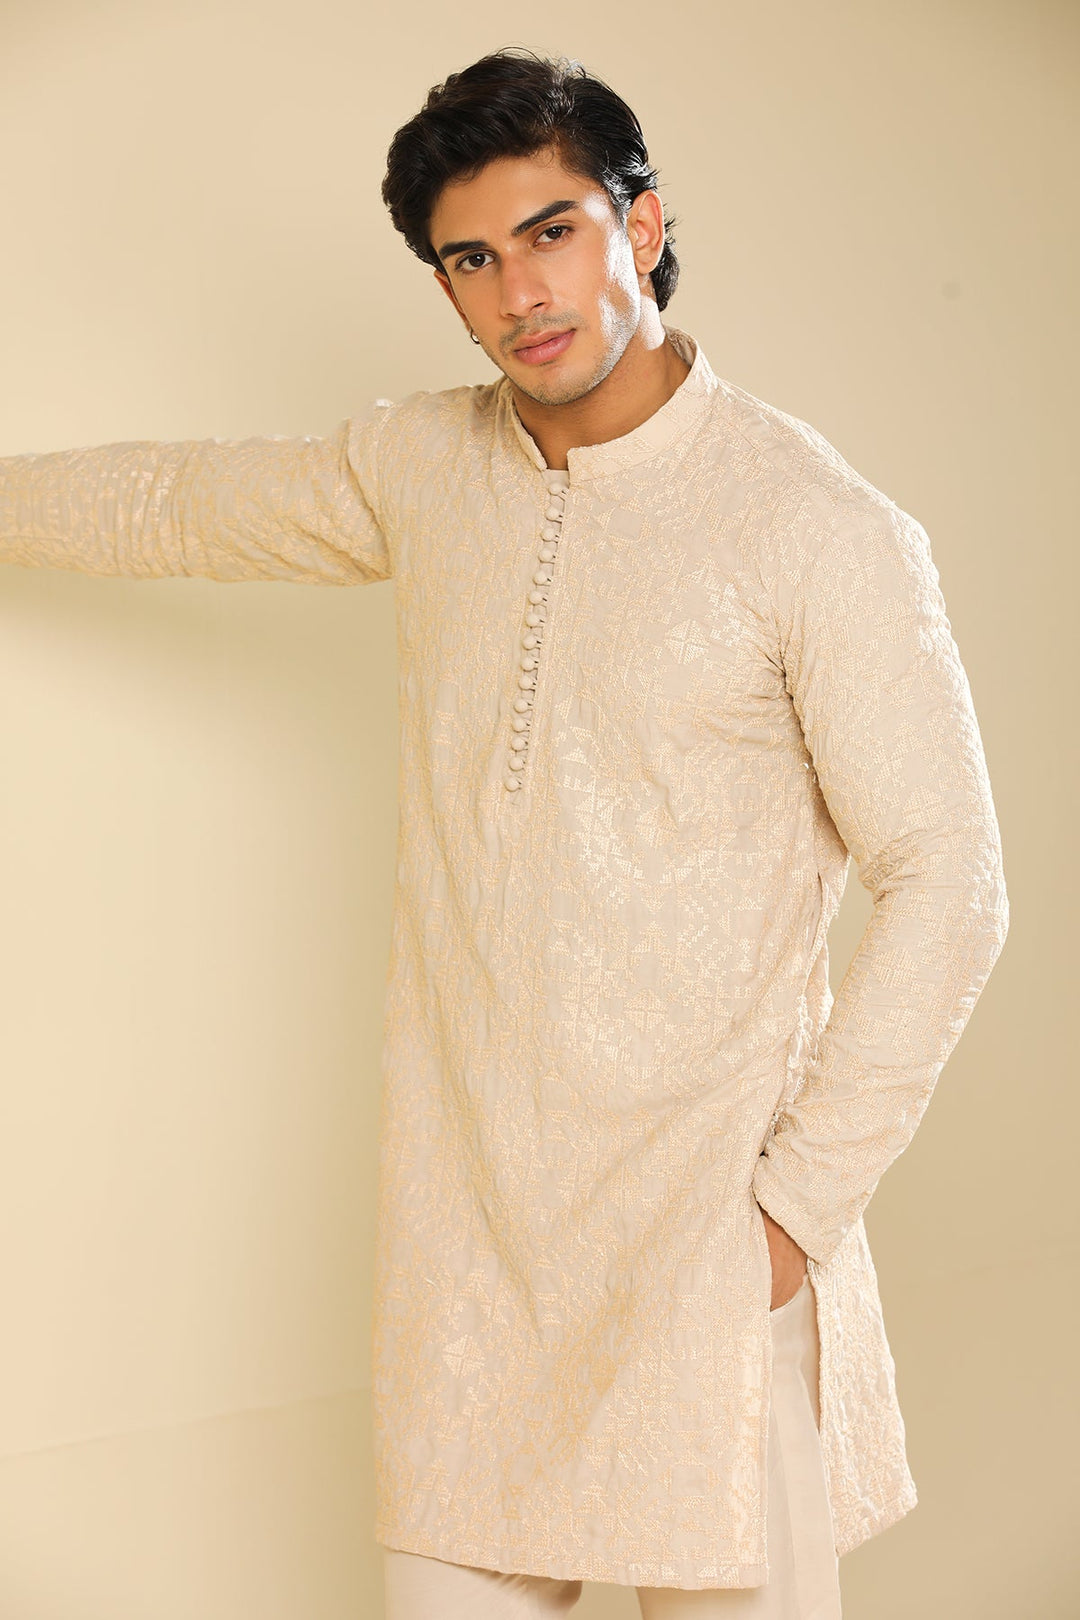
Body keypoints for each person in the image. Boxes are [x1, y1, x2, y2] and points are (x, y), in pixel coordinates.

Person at [0, 46, 1009, 1620]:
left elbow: (952, 882)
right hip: (467, 1265)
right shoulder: (423, 466)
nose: (520, 291)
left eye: (553, 232)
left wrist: (793, 1216)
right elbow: (176, 503)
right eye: (470, 259)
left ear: (641, 225)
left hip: (703, 1253)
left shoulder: (813, 527)